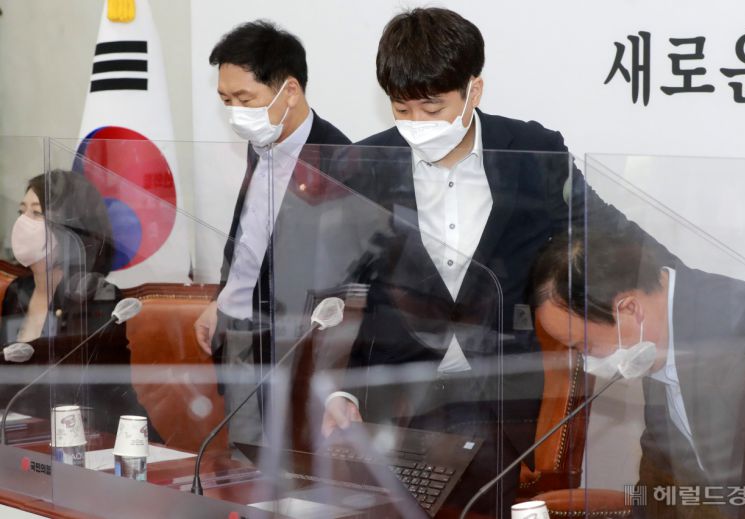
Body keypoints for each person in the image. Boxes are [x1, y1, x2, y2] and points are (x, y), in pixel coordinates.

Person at [320, 7, 644, 516]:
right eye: (402, 109)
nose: (417, 124)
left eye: (432, 107)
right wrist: (341, 391)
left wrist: (684, 290)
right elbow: (344, 291)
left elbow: (607, 231)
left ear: (474, 90)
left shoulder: (532, 152)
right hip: (395, 393)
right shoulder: (365, 165)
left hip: (498, 392)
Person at [532, 229, 745, 518]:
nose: (586, 362)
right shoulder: (655, 342)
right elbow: (658, 484)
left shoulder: (735, 340)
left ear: (630, 308)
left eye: (584, 345)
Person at [193, 20, 350, 447]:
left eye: (245, 99)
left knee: (290, 468)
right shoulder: (260, 142)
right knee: (242, 459)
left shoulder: (339, 160)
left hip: (292, 344)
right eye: (226, 100)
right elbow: (249, 236)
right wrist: (222, 299)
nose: (235, 113)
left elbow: (340, 277)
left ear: (290, 91)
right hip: (239, 332)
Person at [0, 170, 153, 436]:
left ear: (71, 229)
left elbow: (75, 388)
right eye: (21, 212)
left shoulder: (97, 296)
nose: (23, 224)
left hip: (98, 436)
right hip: (27, 432)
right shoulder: (18, 291)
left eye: (36, 214)